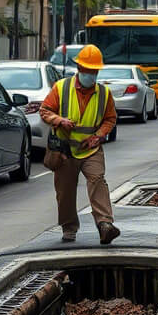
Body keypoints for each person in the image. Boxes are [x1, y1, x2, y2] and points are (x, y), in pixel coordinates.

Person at [39, 44, 120, 245]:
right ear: (79, 69)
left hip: (90, 149)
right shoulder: (61, 88)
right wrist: (60, 121)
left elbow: (110, 119)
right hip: (65, 150)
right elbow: (45, 110)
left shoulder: (104, 94)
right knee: (65, 190)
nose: (91, 74)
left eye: (94, 71)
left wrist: (98, 136)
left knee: (97, 180)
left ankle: (105, 224)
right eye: (88, 70)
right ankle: (69, 228)